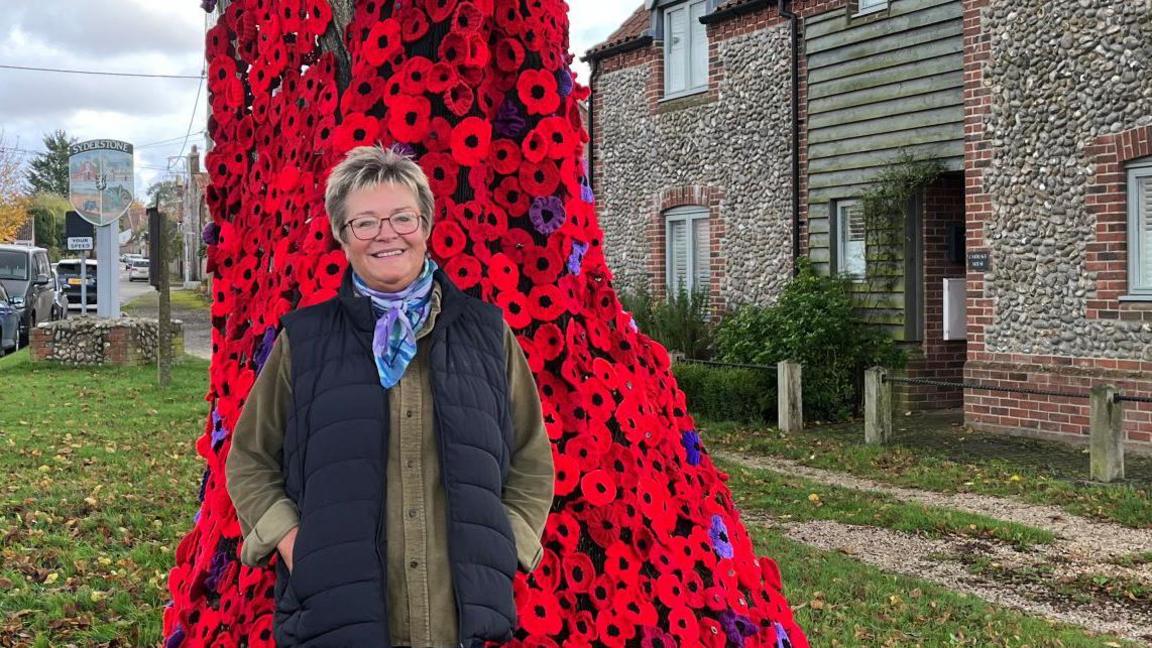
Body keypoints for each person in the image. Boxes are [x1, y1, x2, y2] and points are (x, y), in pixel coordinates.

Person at [226, 145, 555, 647]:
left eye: (403, 217)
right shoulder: (304, 340)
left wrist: (506, 542)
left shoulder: (487, 334)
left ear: (425, 225)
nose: (387, 235)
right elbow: (250, 459)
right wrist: (295, 544)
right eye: (365, 223)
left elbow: (532, 456)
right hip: (338, 616)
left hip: (457, 620)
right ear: (342, 236)